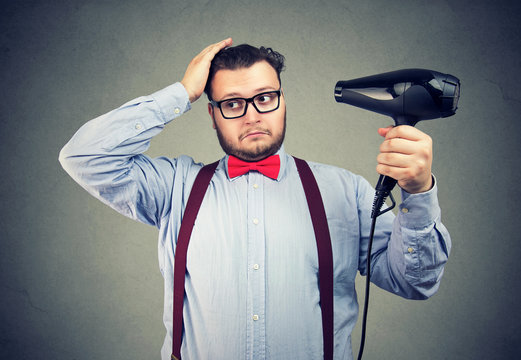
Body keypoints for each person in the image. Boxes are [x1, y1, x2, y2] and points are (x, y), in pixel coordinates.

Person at [59, 38, 451, 360]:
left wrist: (417, 192)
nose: (252, 116)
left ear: (283, 100)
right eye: (232, 103)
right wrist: (181, 93)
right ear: (211, 114)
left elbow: (414, 282)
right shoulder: (173, 188)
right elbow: (84, 157)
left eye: (265, 97)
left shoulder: (345, 191)